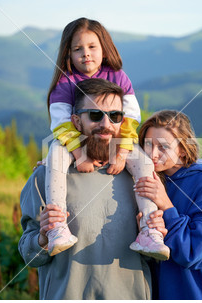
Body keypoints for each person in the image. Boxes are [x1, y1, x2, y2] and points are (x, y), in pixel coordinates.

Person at [19, 79, 167, 299]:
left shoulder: (143, 180)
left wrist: (162, 231)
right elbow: (28, 255)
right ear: (76, 121)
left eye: (115, 116)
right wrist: (42, 238)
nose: (106, 124)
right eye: (95, 115)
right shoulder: (46, 177)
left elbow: (156, 258)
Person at [45, 17, 169, 260]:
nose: (86, 54)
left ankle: (149, 229)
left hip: (115, 141)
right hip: (77, 142)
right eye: (77, 49)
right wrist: (79, 154)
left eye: (92, 47)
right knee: (55, 154)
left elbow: (131, 117)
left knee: (143, 163)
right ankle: (56, 226)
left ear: (104, 48)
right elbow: (60, 124)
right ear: (67, 54)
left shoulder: (118, 76)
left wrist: (122, 153)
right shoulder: (65, 83)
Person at [134, 110, 202, 300]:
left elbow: (192, 252)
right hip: (169, 293)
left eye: (163, 147)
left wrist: (166, 206)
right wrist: (145, 229)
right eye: (148, 144)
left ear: (183, 149)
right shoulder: (150, 180)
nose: (152, 154)